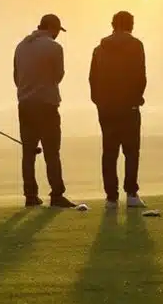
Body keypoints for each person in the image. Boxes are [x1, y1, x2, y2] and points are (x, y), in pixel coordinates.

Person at [13, 14, 82, 209]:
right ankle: (57, 194)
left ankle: (30, 195)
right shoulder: (54, 47)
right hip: (46, 104)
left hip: (25, 104)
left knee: (28, 153)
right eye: (58, 30)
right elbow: (58, 75)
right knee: (52, 152)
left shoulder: (21, 46)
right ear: (53, 28)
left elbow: (16, 77)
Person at [89, 11, 148, 210]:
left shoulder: (100, 49)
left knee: (109, 152)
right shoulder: (136, 46)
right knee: (131, 151)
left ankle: (111, 198)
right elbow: (141, 75)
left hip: (106, 107)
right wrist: (137, 98)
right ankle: (131, 193)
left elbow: (92, 79)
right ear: (131, 25)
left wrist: (99, 101)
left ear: (113, 24)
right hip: (129, 106)